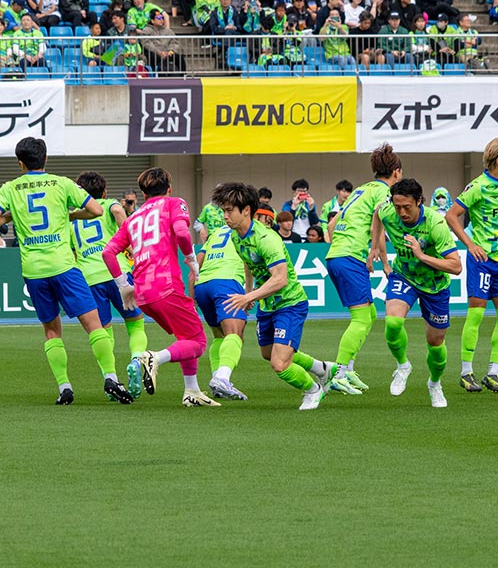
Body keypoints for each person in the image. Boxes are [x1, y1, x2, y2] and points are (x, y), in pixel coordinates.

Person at [0, 136, 133, 405]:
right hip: (64, 265)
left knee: (52, 330)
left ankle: (64, 387)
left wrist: (14, 214)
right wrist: (70, 214)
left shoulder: (10, 188)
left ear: (20, 163)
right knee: (94, 325)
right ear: (46, 159)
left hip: (34, 270)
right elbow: (96, 210)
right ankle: (111, 377)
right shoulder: (61, 183)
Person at [102, 167, 218, 408]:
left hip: (142, 293)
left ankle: (192, 390)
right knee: (198, 342)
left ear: (144, 194)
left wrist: (123, 285)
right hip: (166, 286)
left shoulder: (133, 218)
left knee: (186, 336)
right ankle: (153, 358)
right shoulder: (174, 203)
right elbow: (182, 233)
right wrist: (191, 259)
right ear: (169, 188)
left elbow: (108, 252)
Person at [216, 182, 333, 411]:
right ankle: (322, 369)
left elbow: (281, 279)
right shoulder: (236, 236)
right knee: (268, 353)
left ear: (246, 210)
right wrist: (249, 293)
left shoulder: (266, 239)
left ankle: (313, 390)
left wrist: (248, 297)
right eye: (223, 211)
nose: (225, 216)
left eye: (229, 210)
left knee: (279, 364)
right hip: (267, 304)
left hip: (290, 303)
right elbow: (248, 263)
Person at [368, 178, 461, 408]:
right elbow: (377, 213)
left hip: (435, 285)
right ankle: (403, 365)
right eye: (397, 206)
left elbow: (456, 266)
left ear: (419, 201)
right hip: (404, 276)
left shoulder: (435, 223)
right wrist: (376, 247)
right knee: (392, 322)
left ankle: (435, 384)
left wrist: (421, 255)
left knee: (436, 344)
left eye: (406, 207)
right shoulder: (389, 211)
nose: (401, 212)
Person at [325, 144, 404, 395]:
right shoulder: (384, 192)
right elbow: (377, 223)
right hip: (350, 258)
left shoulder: (360, 189)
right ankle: (338, 373)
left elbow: (331, 225)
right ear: (396, 171)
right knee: (361, 318)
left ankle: (348, 369)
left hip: (337, 256)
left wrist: (342, 246)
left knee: (369, 314)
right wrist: (383, 261)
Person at [445, 136, 498, 394]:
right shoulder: (477, 186)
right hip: (482, 261)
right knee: (475, 315)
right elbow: (451, 215)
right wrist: (469, 244)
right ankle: (466, 372)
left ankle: (493, 373)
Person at [71, 171, 149, 401]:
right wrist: (130, 238)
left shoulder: (72, 218)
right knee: (135, 324)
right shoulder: (107, 204)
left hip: (89, 278)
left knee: (102, 331)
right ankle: (136, 359)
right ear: (104, 192)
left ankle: (111, 377)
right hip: (118, 273)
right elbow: (117, 210)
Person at [193, 193, 250, 402]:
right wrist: (248, 292)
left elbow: (196, 264)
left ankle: (218, 380)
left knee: (219, 336)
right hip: (227, 283)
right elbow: (248, 261)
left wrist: (192, 297)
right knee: (235, 334)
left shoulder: (215, 233)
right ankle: (222, 378)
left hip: (203, 285)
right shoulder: (245, 232)